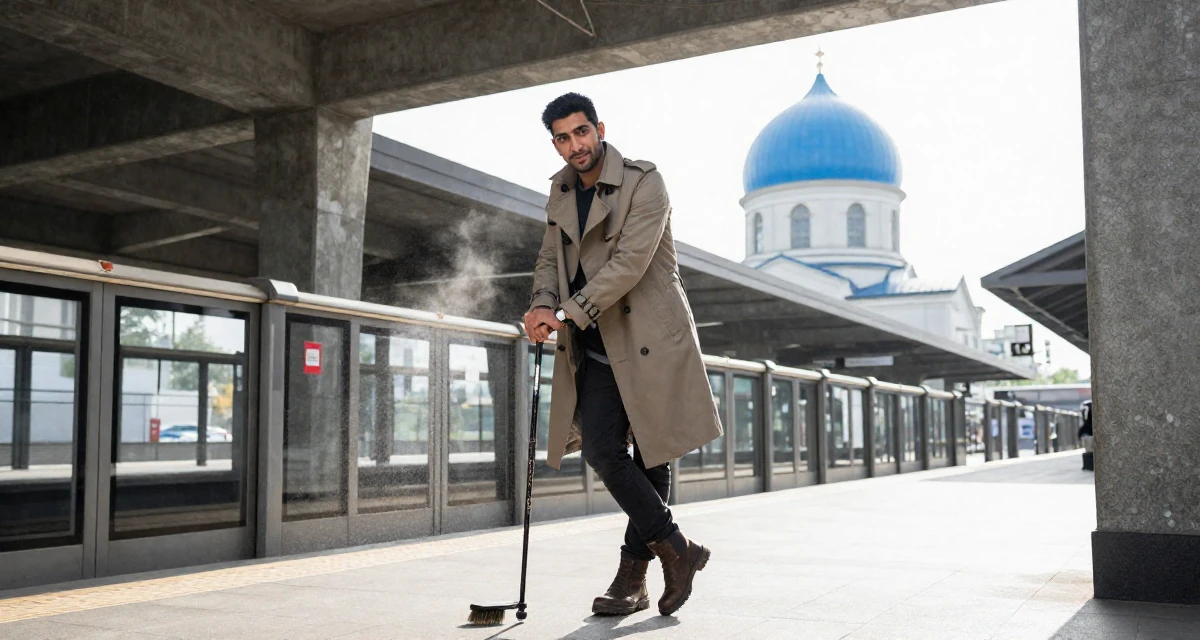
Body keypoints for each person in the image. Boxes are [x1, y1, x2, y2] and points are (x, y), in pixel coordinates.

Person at [523, 93, 723, 617]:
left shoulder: (643, 180)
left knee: (652, 454)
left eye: (581, 132)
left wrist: (566, 313)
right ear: (555, 143)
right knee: (603, 449)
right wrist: (541, 305)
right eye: (563, 138)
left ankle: (630, 579)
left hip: (651, 339)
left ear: (600, 128)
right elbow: (549, 258)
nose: (575, 145)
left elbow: (631, 263)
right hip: (595, 343)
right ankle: (678, 550)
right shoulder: (561, 191)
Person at [1079, 400, 1094, 471]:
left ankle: (1089, 465)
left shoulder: (1088, 413)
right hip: (1089, 433)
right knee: (1090, 450)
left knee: (1089, 450)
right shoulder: (1088, 412)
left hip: (1089, 433)